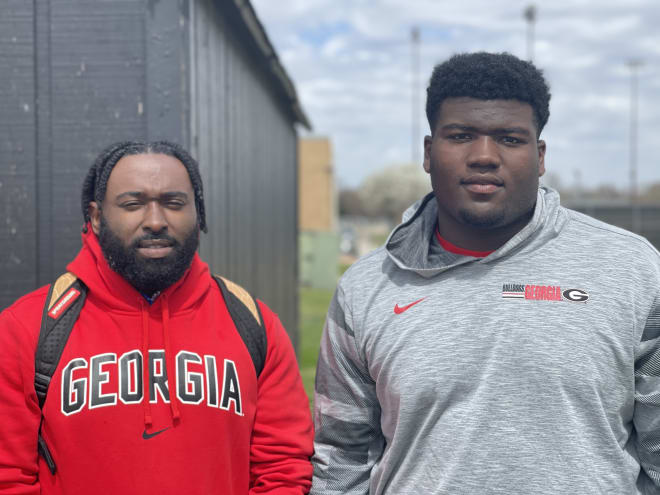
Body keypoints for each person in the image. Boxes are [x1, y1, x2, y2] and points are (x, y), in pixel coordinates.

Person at [310, 52, 660, 494]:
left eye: (510, 139)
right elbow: (340, 459)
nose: (483, 156)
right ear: (428, 152)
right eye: (460, 136)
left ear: (540, 155)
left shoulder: (632, 270)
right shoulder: (366, 287)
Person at [0, 141, 313, 494]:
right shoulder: (28, 329)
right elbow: (8, 475)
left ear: (199, 214)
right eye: (133, 204)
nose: (155, 221)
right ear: (97, 217)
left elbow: (283, 468)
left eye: (174, 203)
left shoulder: (254, 324)